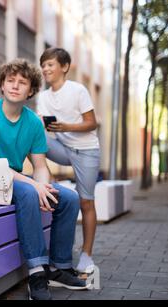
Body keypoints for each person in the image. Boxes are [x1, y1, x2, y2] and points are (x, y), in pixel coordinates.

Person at [0, 58, 91, 300]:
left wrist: (43, 185)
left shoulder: (32, 121)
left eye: (22, 82)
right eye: (11, 80)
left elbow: (40, 165)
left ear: (30, 90)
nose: (15, 86)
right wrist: (34, 185)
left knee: (69, 198)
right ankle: (37, 271)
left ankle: (60, 266)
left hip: (17, 179)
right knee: (30, 192)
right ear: (2, 84)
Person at [38, 48, 100, 274]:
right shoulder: (44, 96)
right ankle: (46, 180)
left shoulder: (78, 90)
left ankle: (86, 254)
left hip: (86, 150)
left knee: (86, 202)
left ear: (64, 67)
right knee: (32, 134)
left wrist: (66, 126)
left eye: (50, 64)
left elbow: (92, 123)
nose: (45, 69)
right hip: (63, 148)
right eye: (43, 65)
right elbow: (42, 128)